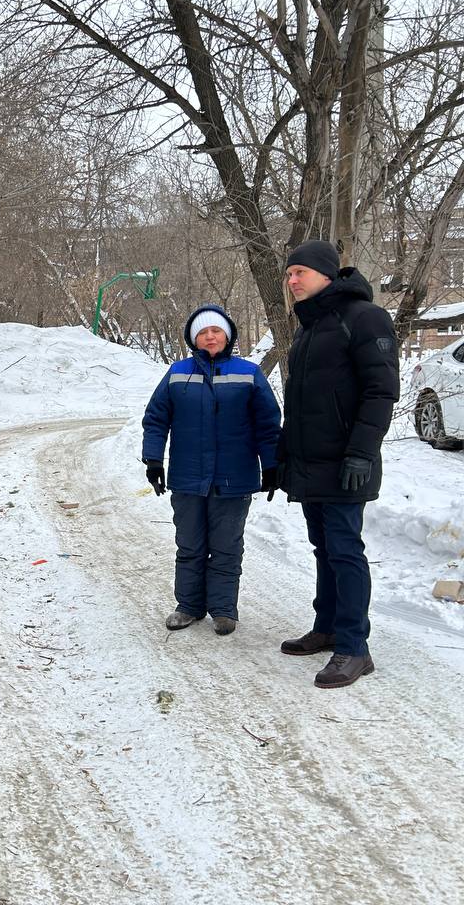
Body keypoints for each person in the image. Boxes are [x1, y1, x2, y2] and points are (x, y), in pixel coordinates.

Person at [277, 239, 399, 689]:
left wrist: (362, 452)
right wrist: (284, 456)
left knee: (345, 551)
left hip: (349, 463)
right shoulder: (308, 327)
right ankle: (326, 627)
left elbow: (380, 391)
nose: (292, 281)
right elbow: (303, 402)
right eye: (289, 274)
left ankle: (354, 647)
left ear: (327, 275)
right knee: (323, 548)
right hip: (313, 463)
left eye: (299, 273)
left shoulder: (365, 318)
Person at [142, 305, 282, 636]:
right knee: (189, 544)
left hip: (234, 479)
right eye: (203, 332)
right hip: (189, 478)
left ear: (227, 335)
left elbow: (268, 425)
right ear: (194, 338)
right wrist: (153, 460)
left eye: (215, 331)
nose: (210, 336)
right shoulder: (177, 373)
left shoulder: (249, 373)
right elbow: (156, 418)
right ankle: (189, 605)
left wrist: (273, 465)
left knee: (226, 545)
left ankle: (223, 609)